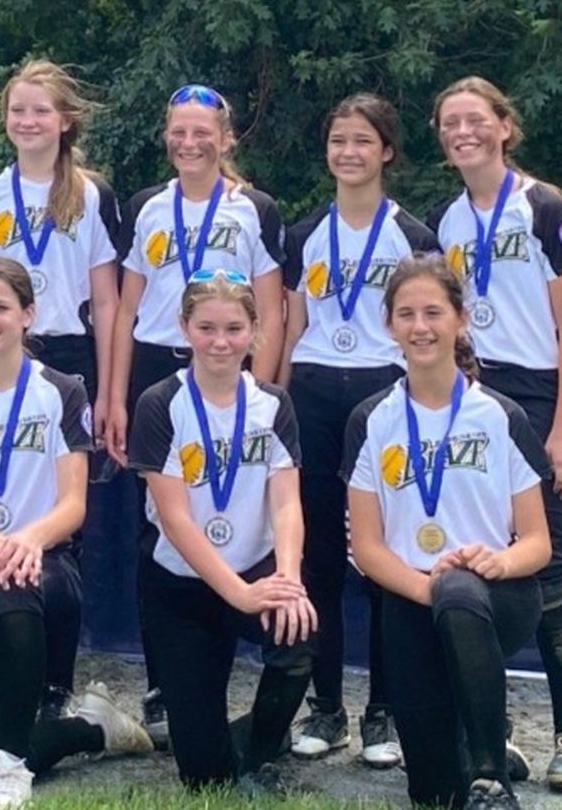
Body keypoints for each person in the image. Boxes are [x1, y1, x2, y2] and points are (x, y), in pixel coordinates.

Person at [0, 259, 151, 809]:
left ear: (28, 314)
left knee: (16, 589)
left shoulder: (62, 391)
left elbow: (73, 504)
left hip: (46, 562)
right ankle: (95, 728)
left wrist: (26, 543)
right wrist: (0, 549)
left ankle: (11, 771)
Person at [107, 83, 286, 744]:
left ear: (226, 138)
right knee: (156, 528)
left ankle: (232, 672)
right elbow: (127, 308)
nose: (189, 143)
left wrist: (264, 393)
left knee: (236, 508)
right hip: (158, 371)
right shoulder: (146, 207)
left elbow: (271, 309)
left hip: (232, 368)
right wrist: (115, 397)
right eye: (178, 132)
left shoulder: (254, 209)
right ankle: (164, 684)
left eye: (202, 132)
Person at [0, 59, 119, 721]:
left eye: (40, 110)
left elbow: (107, 301)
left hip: (67, 357)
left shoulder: (93, 195)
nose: (27, 121)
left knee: (60, 531)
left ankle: (55, 687)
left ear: (65, 120)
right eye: (17, 110)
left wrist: (110, 393)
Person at [345, 253, 552, 808]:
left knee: (460, 591)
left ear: (461, 319)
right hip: (412, 597)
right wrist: (426, 588)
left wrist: (498, 562)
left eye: (434, 312)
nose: (421, 327)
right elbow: (366, 547)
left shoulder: (500, 416)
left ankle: (491, 778)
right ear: (389, 324)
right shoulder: (371, 420)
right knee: (435, 795)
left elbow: (538, 543)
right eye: (406, 314)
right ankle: (471, 750)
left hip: (497, 594)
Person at [278, 94, 438, 767]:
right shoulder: (305, 232)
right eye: (339, 140)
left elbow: (427, 328)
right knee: (317, 556)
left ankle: (383, 712)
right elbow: (292, 323)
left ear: (387, 152)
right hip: (314, 391)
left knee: (383, 556)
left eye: (363, 141)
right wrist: (276, 400)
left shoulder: (414, 235)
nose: (349, 152)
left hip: (382, 396)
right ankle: (327, 707)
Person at [128, 268, 315, 794]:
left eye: (234, 329)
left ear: (254, 330)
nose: (220, 342)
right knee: (204, 779)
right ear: (184, 327)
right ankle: (217, 742)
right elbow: (175, 519)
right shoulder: (159, 403)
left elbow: (286, 502)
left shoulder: (273, 403)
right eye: (206, 328)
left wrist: (288, 579)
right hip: (182, 583)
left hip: (255, 566)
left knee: (299, 634)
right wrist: (238, 594)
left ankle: (259, 754)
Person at [428, 76, 562, 791]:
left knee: (551, 566)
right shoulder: (447, 219)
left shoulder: (544, 207)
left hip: (539, 390)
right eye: (450, 123)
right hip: (474, 392)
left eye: (476, 119)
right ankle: (491, 733)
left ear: (505, 126)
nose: (463, 132)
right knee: (477, 552)